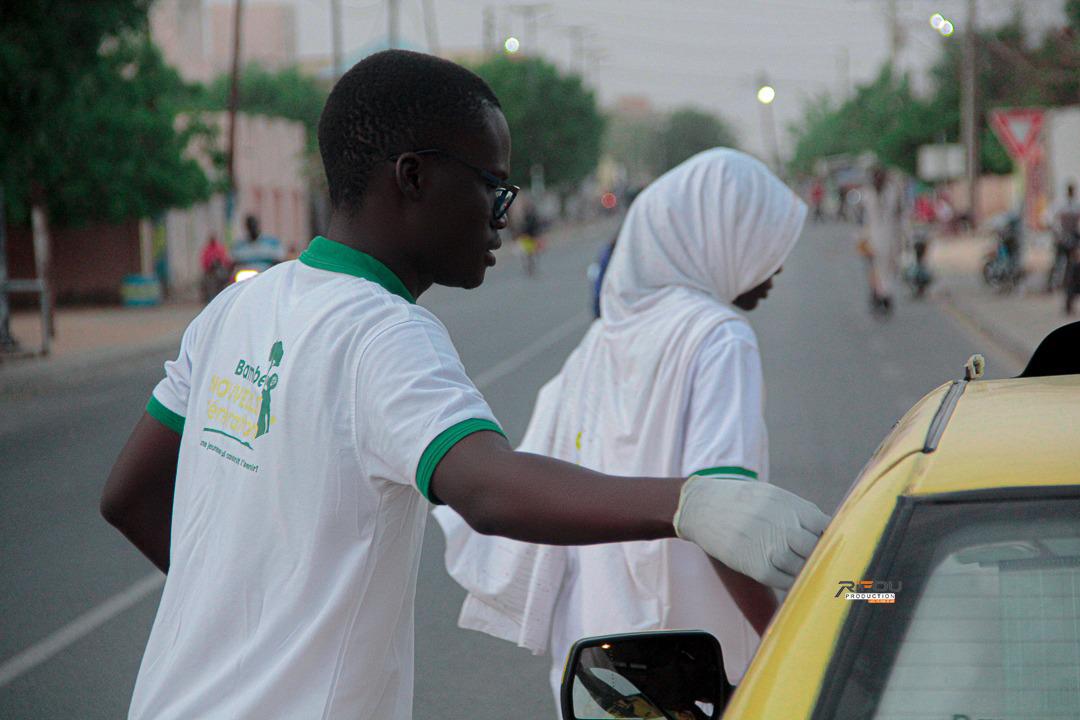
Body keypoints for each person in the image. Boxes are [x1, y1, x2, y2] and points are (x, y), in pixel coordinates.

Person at [100, 51, 827, 720]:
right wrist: (690, 502)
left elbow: (126, 496)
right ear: (413, 177)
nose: (504, 217)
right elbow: (487, 488)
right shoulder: (385, 334)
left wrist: (247, 611)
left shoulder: (236, 308)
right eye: (494, 187)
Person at [434, 148, 808, 710]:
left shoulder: (603, 340)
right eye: (764, 244)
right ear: (714, 238)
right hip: (691, 666)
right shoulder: (717, 336)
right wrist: (788, 641)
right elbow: (728, 518)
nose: (776, 268)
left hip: (597, 662)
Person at [859, 165, 905, 316]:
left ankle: (886, 297)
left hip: (890, 237)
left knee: (889, 269)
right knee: (873, 270)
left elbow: (899, 215)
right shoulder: (867, 194)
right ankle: (877, 296)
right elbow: (862, 218)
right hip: (871, 238)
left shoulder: (893, 193)